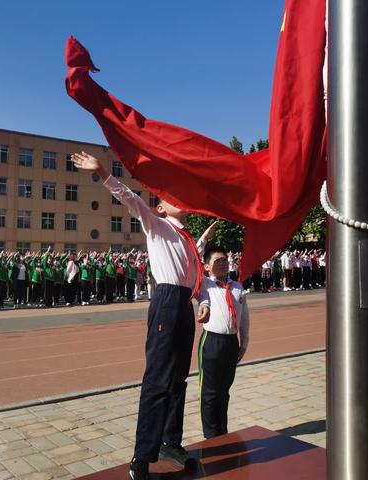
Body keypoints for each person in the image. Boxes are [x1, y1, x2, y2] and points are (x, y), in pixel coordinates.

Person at [72, 151, 210, 480]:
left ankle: (170, 442)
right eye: (171, 197)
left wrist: (203, 299)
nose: (180, 200)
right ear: (161, 207)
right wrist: (103, 173)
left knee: (178, 380)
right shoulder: (158, 225)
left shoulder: (187, 239)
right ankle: (142, 455)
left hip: (184, 305)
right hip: (165, 301)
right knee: (158, 379)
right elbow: (131, 199)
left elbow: (195, 274)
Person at [197, 243, 250, 438]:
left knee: (224, 391)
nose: (223, 264)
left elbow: (244, 317)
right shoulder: (203, 284)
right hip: (211, 342)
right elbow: (190, 261)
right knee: (210, 393)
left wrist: (244, 343)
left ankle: (222, 432)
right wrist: (204, 241)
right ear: (207, 266)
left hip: (230, 343)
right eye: (217, 261)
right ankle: (211, 436)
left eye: (225, 260)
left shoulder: (237, 287)